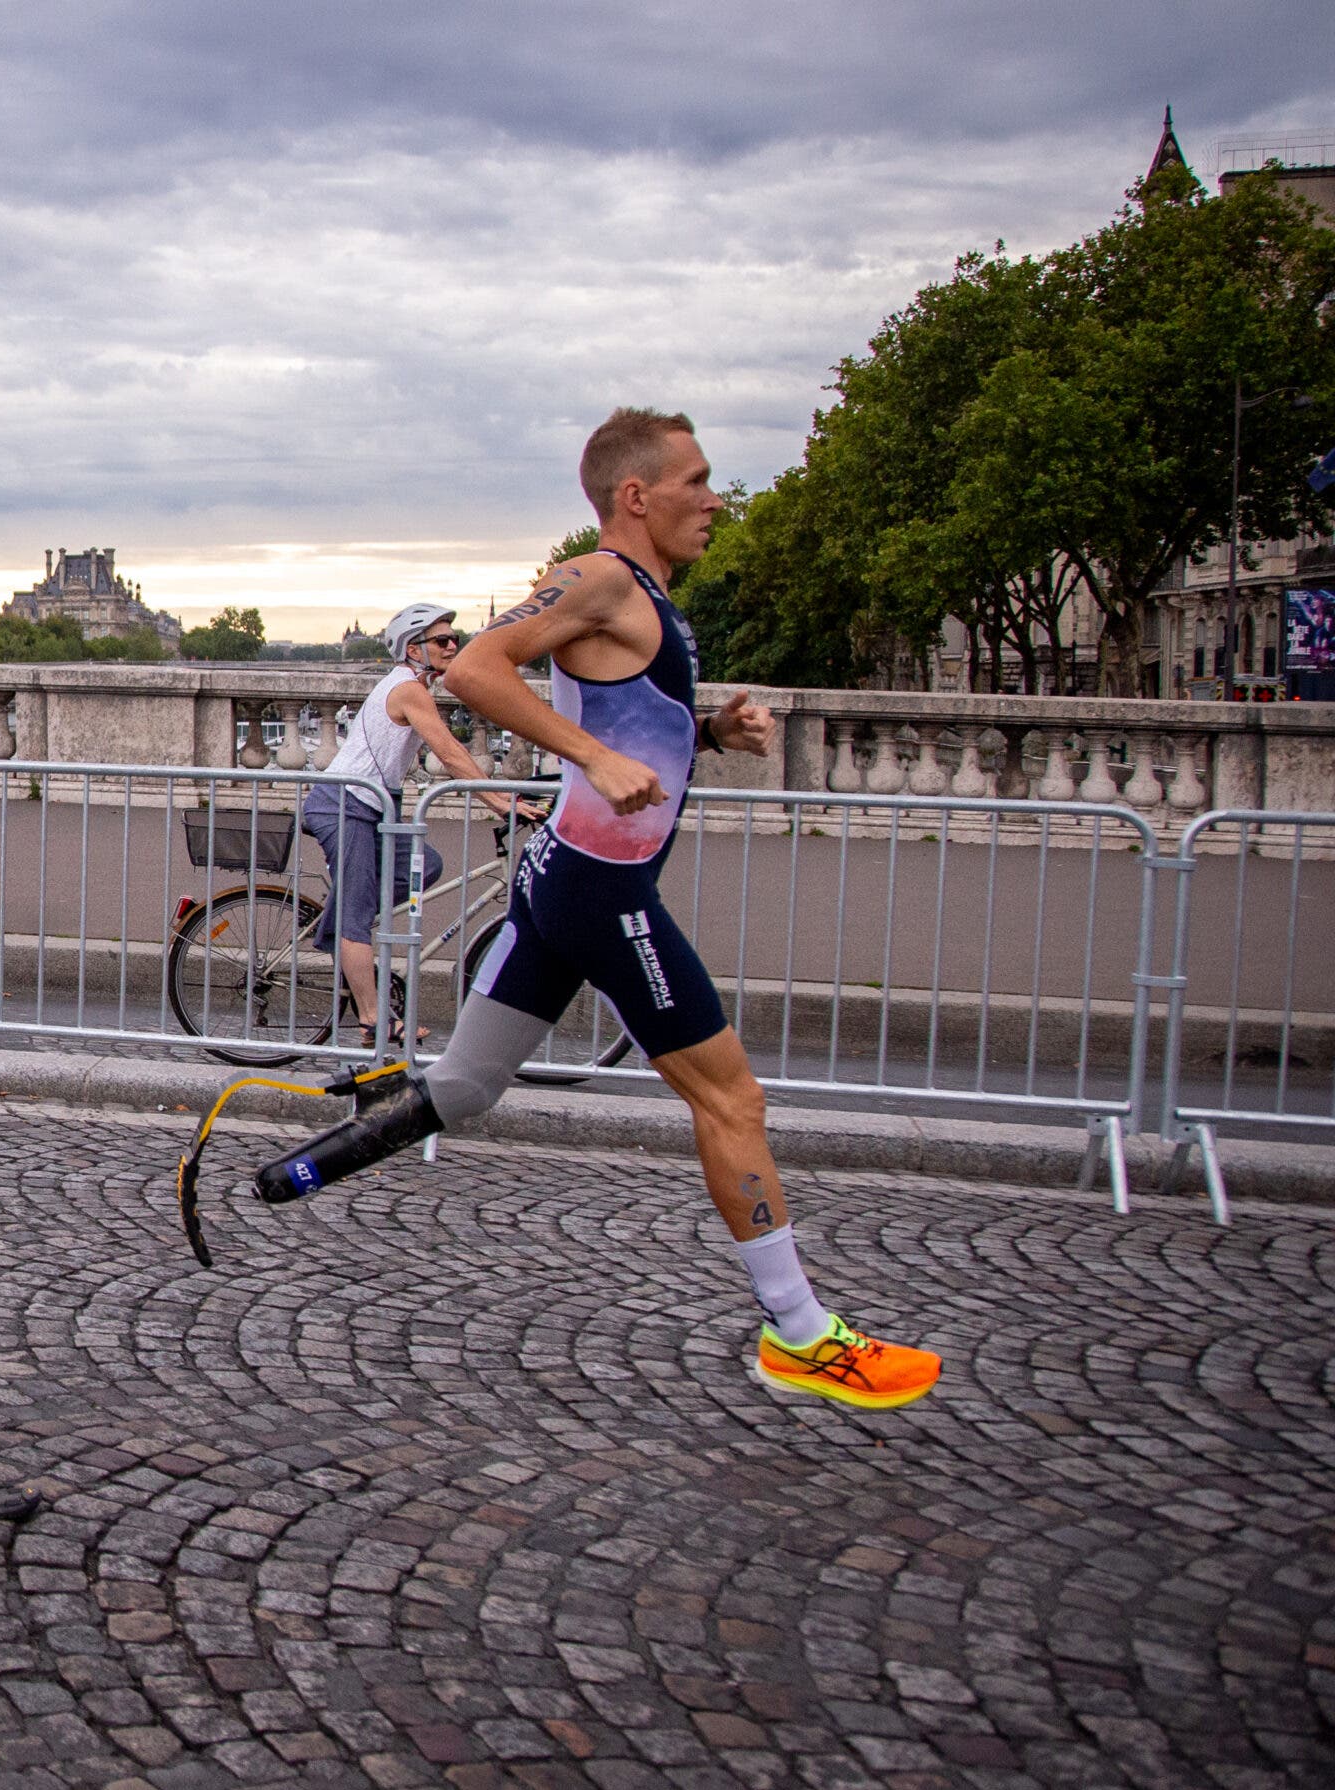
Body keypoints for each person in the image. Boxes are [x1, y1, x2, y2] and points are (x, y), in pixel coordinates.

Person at [253, 408, 939, 1411]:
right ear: (636, 494)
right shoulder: (601, 575)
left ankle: (290, 1176)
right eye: (696, 481)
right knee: (731, 1099)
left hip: (566, 876)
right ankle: (799, 1333)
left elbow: (625, 718)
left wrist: (706, 729)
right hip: (600, 890)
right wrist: (589, 758)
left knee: (468, 1085)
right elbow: (482, 667)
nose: (712, 499)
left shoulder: (643, 597)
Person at [298, 604, 493, 1046]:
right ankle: (374, 1019)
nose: (451, 646)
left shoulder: (415, 686)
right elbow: (451, 753)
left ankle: (346, 920)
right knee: (356, 916)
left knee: (429, 866)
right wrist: (501, 803)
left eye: (453, 638)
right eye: (441, 640)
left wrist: (505, 797)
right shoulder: (407, 689)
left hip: (371, 808)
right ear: (413, 649)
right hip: (343, 805)